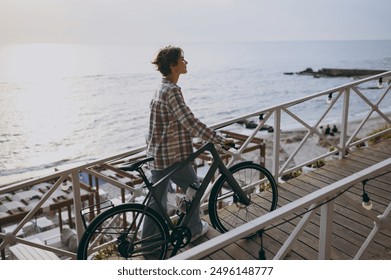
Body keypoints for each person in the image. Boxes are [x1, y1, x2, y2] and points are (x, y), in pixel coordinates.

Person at [144, 46, 233, 244]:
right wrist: (218, 139)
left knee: (156, 202)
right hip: (172, 157)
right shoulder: (172, 92)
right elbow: (190, 123)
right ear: (173, 65)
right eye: (182, 59)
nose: (186, 62)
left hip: (158, 154)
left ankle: (150, 245)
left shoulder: (161, 88)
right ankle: (192, 230)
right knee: (194, 186)